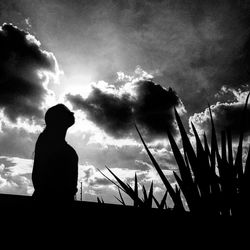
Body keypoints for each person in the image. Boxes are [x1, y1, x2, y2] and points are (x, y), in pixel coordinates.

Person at [32, 104, 78, 208]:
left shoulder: (45, 143)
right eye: (67, 112)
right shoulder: (57, 148)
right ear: (59, 119)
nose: (72, 113)